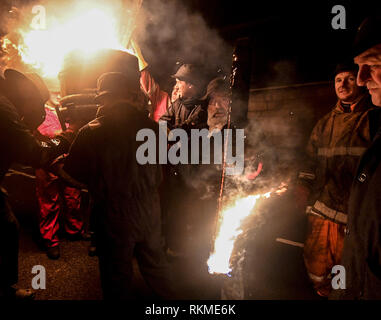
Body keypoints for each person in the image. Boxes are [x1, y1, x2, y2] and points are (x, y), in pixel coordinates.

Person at [57, 61, 177, 299]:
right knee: (157, 269)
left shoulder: (92, 131)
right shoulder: (154, 128)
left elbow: (71, 175)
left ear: (103, 98)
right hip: (149, 209)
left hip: (114, 214)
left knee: (116, 274)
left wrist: (59, 164)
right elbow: (164, 167)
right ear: (132, 96)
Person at [295, 61, 379, 297]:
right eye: (338, 79)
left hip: (352, 220)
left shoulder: (374, 120)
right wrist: (302, 187)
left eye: (349, 78)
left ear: (360, 82)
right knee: (318, 271)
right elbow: (309, 162)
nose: (343, 84)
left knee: (349, 278)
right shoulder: (324, 124)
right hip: (321, 214)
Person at [0, 69, 68, 299]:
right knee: (6, 227)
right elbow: (34, 151)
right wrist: (64, 140)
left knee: (7, 227)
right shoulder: (4, 108)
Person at [331, 15, 381, 300]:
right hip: (329, 215)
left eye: (372, 65)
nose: (360, 81)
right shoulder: (325, 123)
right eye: (340, 79)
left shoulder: (369, 121)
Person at [34, 103, 86, 260]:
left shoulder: (60, 106)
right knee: (49, 199)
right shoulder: (33, 109)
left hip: (65, 155)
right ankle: (50, 240)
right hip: (45, 156)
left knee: (72, 194)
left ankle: (75, 230)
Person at [130, 39, 179, 122]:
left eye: (179, 89)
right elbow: (146, 80)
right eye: (175, 86)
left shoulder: (188, 114)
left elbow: (163, 133)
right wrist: (135, 49)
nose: (175, 90)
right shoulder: (162, 100)